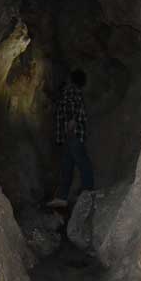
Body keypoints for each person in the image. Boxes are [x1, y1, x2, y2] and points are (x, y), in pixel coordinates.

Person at [46, 69, 94, 207]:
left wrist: (70, 123)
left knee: (82, 161)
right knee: (67, 166)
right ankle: (62, 197)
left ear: (72, 80)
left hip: (72, 133)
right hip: (71, 135)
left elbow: (71, 107)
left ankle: (88, 191)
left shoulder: (71, 90)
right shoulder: (75, 91)